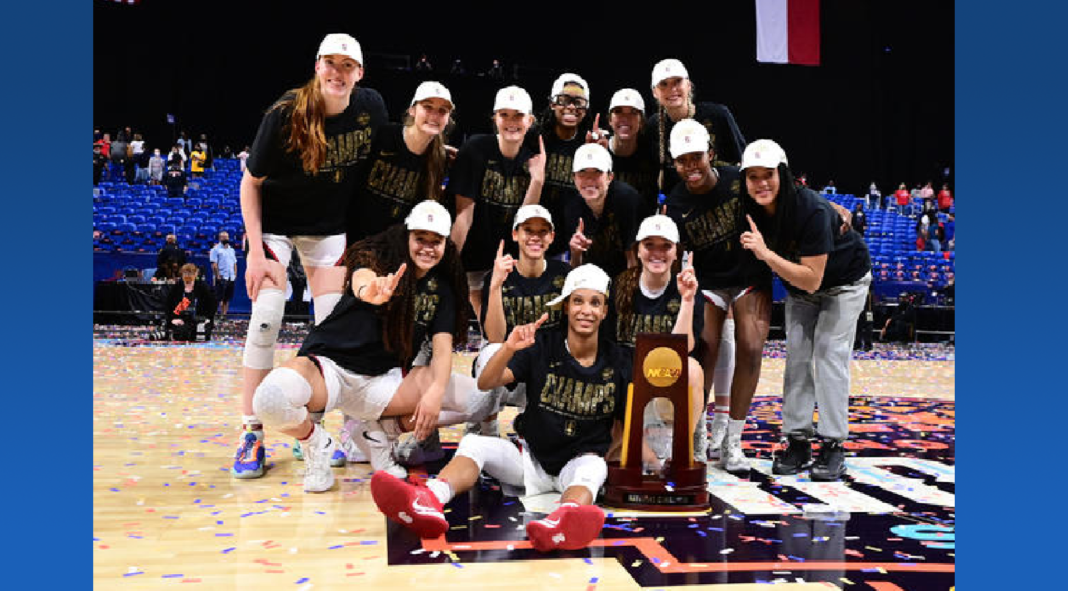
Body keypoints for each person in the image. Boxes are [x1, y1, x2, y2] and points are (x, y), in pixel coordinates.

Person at [370, 263, 626, 553]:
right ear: (566, 307)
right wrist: (509, 348)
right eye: (578, 301)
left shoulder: (617, 359)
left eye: (595, 302)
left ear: (605, 311)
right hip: (532, 460)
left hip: (577, 464)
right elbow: (486, 383)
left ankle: (563, 521)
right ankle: (428, 500)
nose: (586, 310)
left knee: (595, 466)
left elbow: (625, 422)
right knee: (475, 443)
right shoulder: (543, 344)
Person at [248, 201, 492, 490]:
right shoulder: (380, 257)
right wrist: (370, 290)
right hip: (330, 370)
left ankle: (382, 432)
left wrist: (435, 393)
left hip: (384, 383)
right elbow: (361, 278)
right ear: (407, 236)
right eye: (420, 239)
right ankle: (315, 443)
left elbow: (441, 349)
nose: (427, 247)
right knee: (269, 399)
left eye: (435, 241)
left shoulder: (442, 290)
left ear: (445, 244)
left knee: (480, 399)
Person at [233, 33, 387, 479]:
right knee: (265, 313)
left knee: (332, 326)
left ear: (359, 73)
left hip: (327, 230)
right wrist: (256, 253)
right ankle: (251, 432)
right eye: (330, 63)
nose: (337, 73)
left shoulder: (370, 108)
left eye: (347, 65)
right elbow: (250, 182)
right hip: (276, 225)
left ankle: (311, 424)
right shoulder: (285, 114)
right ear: (317, 66)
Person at [738, 139, 872, 481]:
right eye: (752, 176)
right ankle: (797, 442)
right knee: (797, 359)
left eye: (767, 174)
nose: (760, 183)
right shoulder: (747, 202)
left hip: (844, 282)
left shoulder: (809, 210)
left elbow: (813, 279)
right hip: (801, 287)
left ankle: (833, 446)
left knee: (828, 355)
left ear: (782, 174)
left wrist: (766, 254)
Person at [661, 119, 771, 473]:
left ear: (711, 153)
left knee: (751, 347)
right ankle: (696, 434)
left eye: (696, 157)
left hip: (747, 275)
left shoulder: (739, 180)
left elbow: (784, 199)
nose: (691, 166)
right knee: (702, 350)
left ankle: (732, 441)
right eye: (683, 160)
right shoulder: (675, 203)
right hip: (708, 280)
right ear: (675, 164)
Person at [458, 204, 570, 441]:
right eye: (528, 230)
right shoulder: (499, 274)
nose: (535, 237)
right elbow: (495, 337)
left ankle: (530, 426)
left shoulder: (564, 274)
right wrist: (496, 285)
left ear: (551, 237)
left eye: (542, 232)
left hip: (547, 370)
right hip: (509, 366)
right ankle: (487, 432)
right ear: (515, 234)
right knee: (491, 353)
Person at [606, 214, 707, 464]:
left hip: (662, 386)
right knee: (616, 461)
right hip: (622, 388)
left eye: (666, 246)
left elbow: (685, 349)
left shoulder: (688, 290)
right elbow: (605, 347)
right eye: (649, 245)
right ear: (638, 250)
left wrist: (686, 300)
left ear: (676, 253)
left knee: (692, 369)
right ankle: (634, 443)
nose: (657, 253)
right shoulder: (619, 286)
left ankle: (682, 447)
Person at [449, 86, 546, 318]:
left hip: (509, 259)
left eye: (518, 116)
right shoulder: (476, 148)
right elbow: (464, 215)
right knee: (484, 324)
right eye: (504, 115)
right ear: (495, 118)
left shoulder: (533, 159)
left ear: (530, 120)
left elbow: (525, 222)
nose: (511, 122)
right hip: (473, 256)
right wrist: (448, 266)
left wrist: (538, 181)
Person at [347, 80, 454, 244]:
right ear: (412, 110)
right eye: (427, 107)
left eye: (442, 111)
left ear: (448, 119)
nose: (434, 115)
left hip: (395, 249)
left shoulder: (441, 158)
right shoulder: (383, 135)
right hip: (354, 239)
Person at [648, 58, 746, 196]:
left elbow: (741, 161)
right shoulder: (653, 127)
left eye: (677, 81)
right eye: (664, 84)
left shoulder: (717, 115)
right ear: (654, 92)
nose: (672, 89)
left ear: (688, 84)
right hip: (682, 207)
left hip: (724, 197)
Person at [535, 73, 596, 256]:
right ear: (553, 104)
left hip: (571, 243)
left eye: (578, 102)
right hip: (534, 235)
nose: (571, 107)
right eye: (564, 100)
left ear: (586, 108)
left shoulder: (590, 145)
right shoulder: (534, 138)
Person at [564, 143, 642, 280]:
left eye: (597, 172)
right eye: (582, 172)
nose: (589, 179)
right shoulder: (571, 207)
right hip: (592, 280)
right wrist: (575, 252)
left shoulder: (626, 199)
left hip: (626, 276)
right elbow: (575, 268)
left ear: (610, 177)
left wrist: (629, 294)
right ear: (574, 178)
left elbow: (632, 256)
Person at [606, 89, 659, 217]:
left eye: (633, 112)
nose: (625, 118)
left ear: (641, 121)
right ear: (609, 120)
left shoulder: (654, 154)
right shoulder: (599, 154)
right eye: (618, 112)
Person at [165, 263, 216, 342]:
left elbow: (212, 305)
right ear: (182, 274)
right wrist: (172, 319)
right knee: (181, 333)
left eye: (190, 273)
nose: (188, 275)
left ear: (196, 274)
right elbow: (168, 306)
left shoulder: (203, 287)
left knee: (201, 335)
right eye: (185, 273)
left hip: (199, 318)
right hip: (181, 319)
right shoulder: (177, 287)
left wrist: (208, 318)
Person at [210, 231, 238, 317]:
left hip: (231, 277)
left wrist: (235, 275)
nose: (226, 239)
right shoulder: (215, 249)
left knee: (227, 298)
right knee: (219, 297)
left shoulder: (231, 250)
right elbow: (214, 264)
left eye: (227, 237)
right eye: (223, 237)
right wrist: (217, 275)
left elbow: (234, 263)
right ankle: (216, 314)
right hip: (221, 276)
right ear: (220, 238)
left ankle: (224, 315)